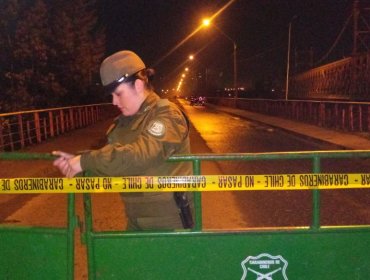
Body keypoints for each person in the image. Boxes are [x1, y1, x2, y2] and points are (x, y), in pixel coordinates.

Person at [53, 50, 194, 230]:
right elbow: (111, 161)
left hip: (172, 226)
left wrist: (84, 161)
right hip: (135, 222)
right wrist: (76, 164)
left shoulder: (167, 114)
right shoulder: (123, 124)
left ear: (138, 85)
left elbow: (140, 154)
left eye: (118, 94)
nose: (114, 102)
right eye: (111, 95)